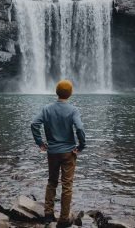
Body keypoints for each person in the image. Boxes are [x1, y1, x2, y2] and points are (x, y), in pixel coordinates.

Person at [31, 80, 86, 227]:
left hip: (53, 152)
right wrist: (81, 146)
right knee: (67, 185)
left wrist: (40, 143)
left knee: (52, 182)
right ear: (70, 93)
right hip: (69, 152)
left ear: (56, 92)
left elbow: (34, 124)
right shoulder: (73, 110)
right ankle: (63, 219)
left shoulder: (47, 109)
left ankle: (48, 215)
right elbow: (79, 128)